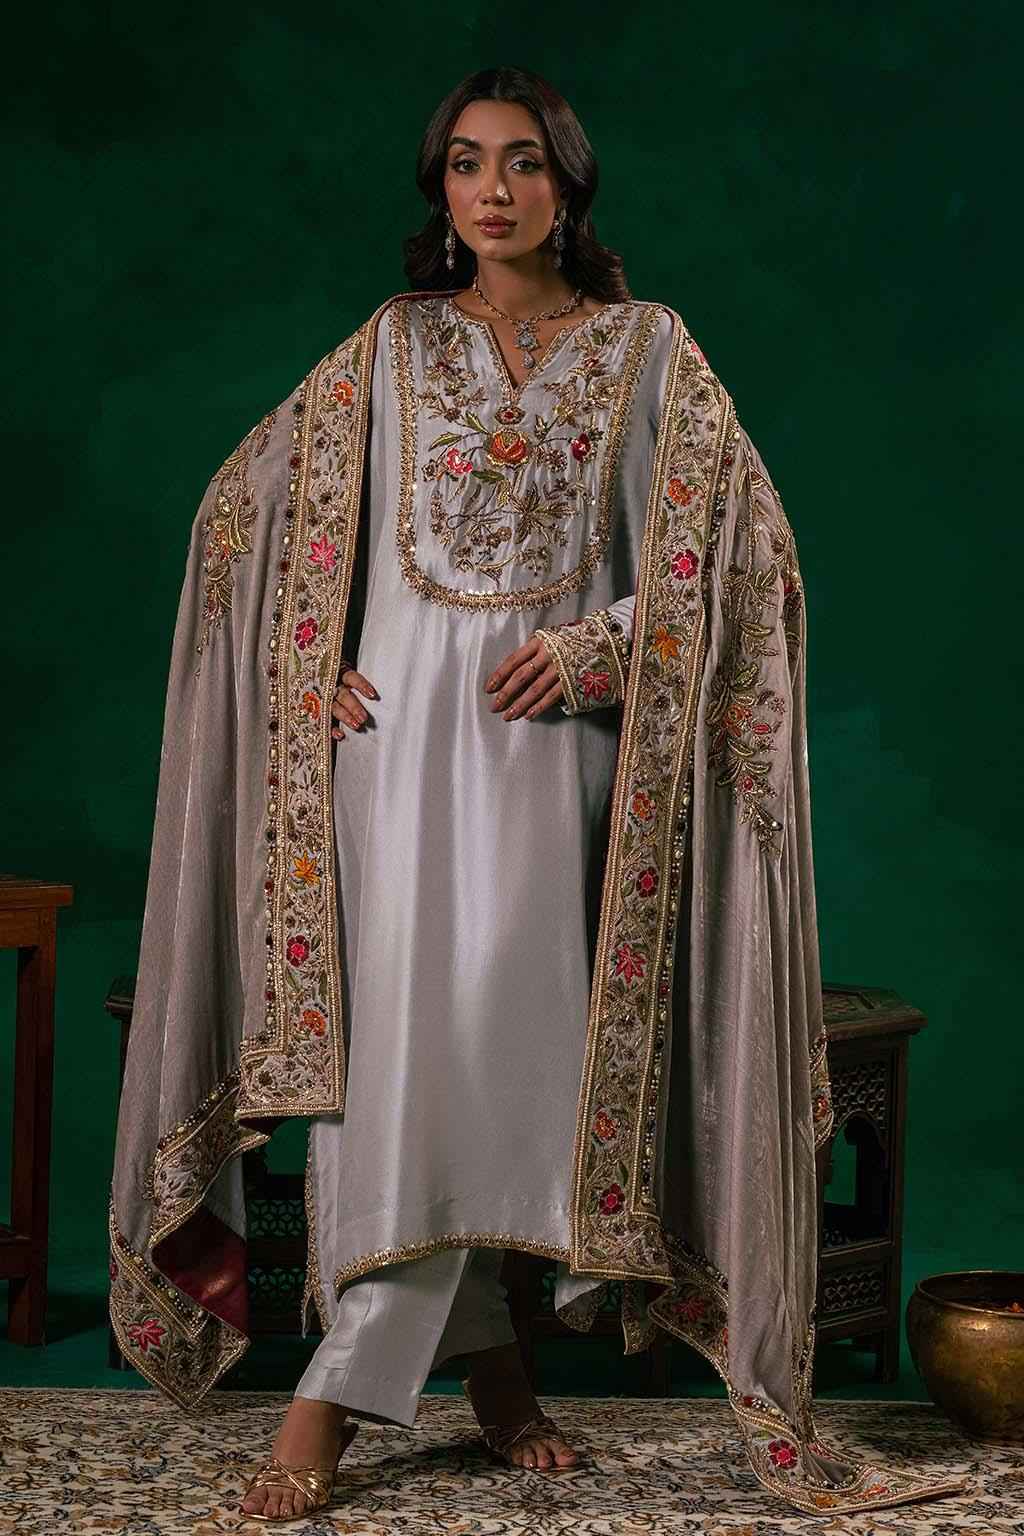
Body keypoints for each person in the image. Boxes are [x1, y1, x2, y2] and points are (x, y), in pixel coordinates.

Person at [108, 65, 970, 1524]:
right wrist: (300, 663)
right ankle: (395, 1391)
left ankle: (429, 1379)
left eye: (520, 162)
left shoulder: (647, 349)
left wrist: (600, 648)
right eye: (463, 163)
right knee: (398, 1066)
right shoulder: (389, 347)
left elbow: (748, 563)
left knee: (503, 1069)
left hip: (555, 763)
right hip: (391, 764)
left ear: (568, 184)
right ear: (439, 190)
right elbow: (236, 525)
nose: (491, 190)